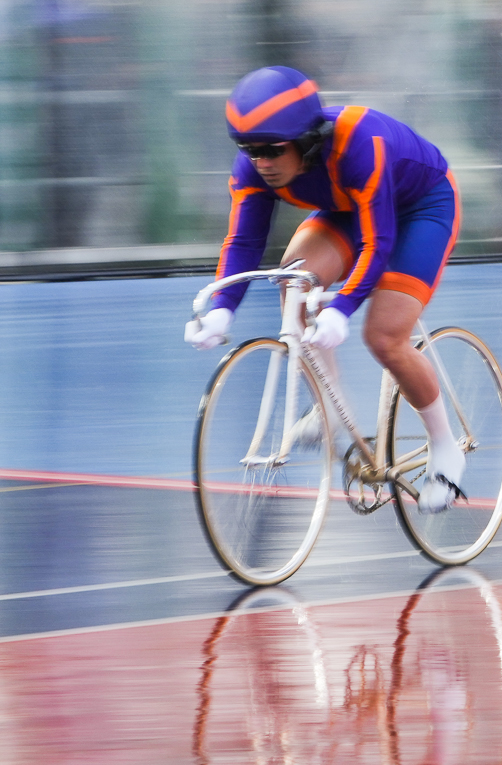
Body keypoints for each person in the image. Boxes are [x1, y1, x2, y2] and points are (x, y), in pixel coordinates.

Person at [186, 67, 468, 512]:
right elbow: (243, 241)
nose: (261, 161)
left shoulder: (360, 143)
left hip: (421, 206)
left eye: (272, 150)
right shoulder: (256, 168)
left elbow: (380, 243)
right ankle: (330, 409)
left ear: (309, 140)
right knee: (294, 279)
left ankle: (445, 445)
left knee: (384, 337)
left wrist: (342, 308)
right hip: (349, 207)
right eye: (248, 149)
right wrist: (222, 308)